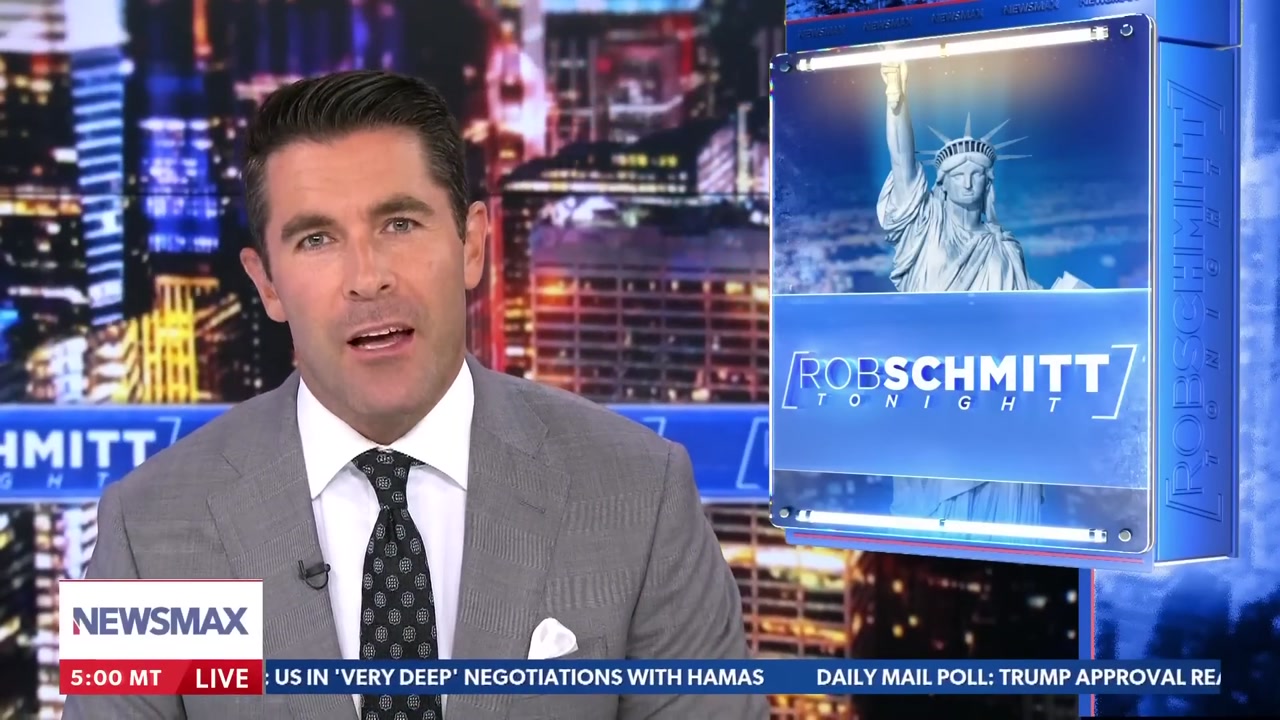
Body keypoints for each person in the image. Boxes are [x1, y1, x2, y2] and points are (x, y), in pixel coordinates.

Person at [63, 71, 764, 720]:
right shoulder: (149, 530)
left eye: (399, 224)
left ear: (471, 245)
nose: (367, 277)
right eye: (316, 239)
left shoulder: (639, 494)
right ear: (268, 284)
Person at [876, 60, 1045, 525]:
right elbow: (903, 164)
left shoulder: (1005, 246)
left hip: (997, 394)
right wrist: (897, 100)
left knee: (1002, 521)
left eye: (977, 175)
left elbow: (1035, 310)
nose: (967, 182)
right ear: (943, 183)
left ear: (989, 183)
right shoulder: (925, 226)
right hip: (933, 388)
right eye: (957, 175)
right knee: (934, 514)